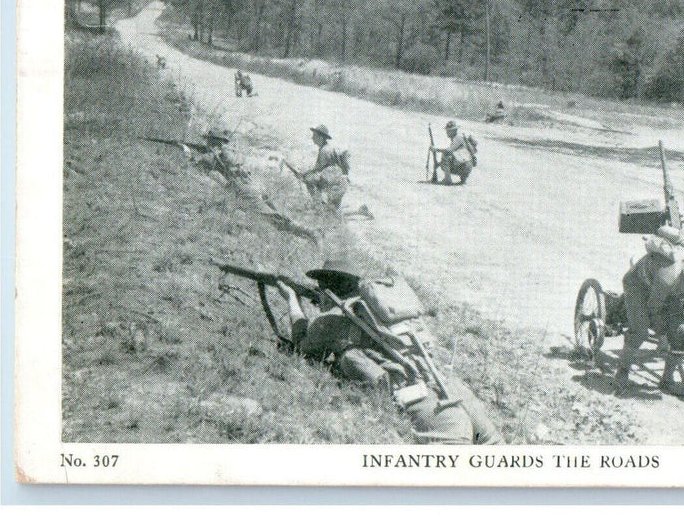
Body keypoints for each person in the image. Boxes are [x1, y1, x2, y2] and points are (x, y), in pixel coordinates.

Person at [274, 256, 503, 445]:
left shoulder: (332, 321)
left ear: (326, 290)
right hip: (454, 393)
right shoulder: (382, 313)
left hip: (429, 412)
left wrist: (292, 301)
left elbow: (301, 349)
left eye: (320, 288)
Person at [615, 225, 684, 393]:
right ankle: (622, 372)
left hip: (671, 294)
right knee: (640, 330)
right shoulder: (668, 277)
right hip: (639, 285)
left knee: (680, 335)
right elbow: (653, 309)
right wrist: (662, 336)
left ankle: (667, 378)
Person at [194, 128, 322, 245]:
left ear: (214, 143)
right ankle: (306, 232)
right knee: (276, 215)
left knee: (274, 220)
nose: (207, 144)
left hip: (244, 189)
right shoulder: (231, 151)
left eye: (209, 142)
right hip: (255, 185)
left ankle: (310, 234)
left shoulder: (220, 154)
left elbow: (204, 167)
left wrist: (196, 156)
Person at [302, 124, 351, 209]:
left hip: (335, 185)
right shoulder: (327, 149)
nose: (312, 138)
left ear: (320, 138)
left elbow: (317, 169)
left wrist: (304, 174)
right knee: (333, 210)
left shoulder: (325, 151)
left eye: (314, 136)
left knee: (308, 180)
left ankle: (317, 204)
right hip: (340, 183)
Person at [436, 120, 475, 185]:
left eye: (448, 131)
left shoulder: (457, 138)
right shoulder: (460, 138)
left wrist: (436, 149)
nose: (447, 132)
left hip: (464, 167)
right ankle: (463, 180)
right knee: (455, 156)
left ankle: (447, 180)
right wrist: (439, 164)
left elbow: (448, 151)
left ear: (453, 131)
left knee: (445, 155)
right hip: (467, 166)